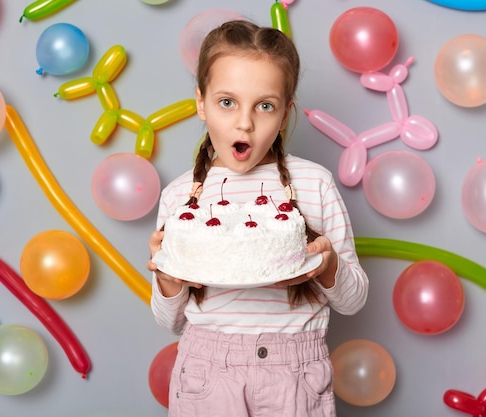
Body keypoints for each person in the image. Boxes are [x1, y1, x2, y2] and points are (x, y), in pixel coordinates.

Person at [147, 19, 369, 417]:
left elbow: (354, 302)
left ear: (285, 114)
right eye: (227, 102)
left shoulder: (314, 184)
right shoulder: (181, 196)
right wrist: (167, 278)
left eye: (264, 105)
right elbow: (169, 321)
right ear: (201, 102)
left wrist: (328, 264)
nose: (244, 122)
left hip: (294, 376)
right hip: (206, 372)